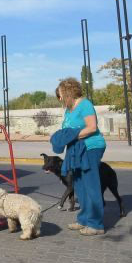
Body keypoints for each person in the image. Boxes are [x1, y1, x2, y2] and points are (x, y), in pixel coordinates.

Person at [57, 77, 106, 236]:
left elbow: (92, 128)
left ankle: (96, 225)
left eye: (60, 95)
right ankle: (84, 219)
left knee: (91, 185)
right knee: (80, 186)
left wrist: (71, 136)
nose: (59, 99)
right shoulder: (69, 110)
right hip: (76, 150)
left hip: (90, 147)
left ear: (68, 93)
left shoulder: (85, 105)